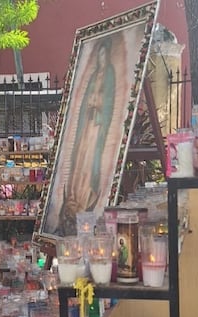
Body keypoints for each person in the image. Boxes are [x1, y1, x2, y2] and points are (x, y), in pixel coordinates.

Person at [56, 36, 118, 237]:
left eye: (103, 53)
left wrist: (99, 112)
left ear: (107, 55)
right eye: (98, 53)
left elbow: (109, 104)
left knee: (91, 161)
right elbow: (83, 105)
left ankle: (84, 205)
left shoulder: (109, 75)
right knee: (80, 160)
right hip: (86, 127)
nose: (100, 57)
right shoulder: (93, 77)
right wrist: (88, 110)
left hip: (97, 129)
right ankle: (73, 199)